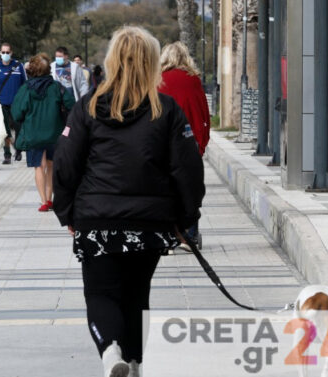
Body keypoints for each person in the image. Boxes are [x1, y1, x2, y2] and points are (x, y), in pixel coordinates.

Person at [52, 27, 205, 377]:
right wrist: (186, 217)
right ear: (152, 64)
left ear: (111, 61)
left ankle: (110, 353)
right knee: (137, 296)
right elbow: (187, 168)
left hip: (96, 220)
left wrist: (68, 213)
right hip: (149, 223)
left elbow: (65, 163)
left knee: (101, 294)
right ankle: (135, 365)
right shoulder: (166, 110)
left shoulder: (87, 107)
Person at [158, 41, 211, 250]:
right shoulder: (193, 80)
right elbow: (202, 111)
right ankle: (189, 234)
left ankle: (168, 236)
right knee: (189, 188)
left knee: (165, 189)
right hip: (189, 142)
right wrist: (202, 141)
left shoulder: (158, 80)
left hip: (163, 143)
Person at [12, 53, 75, 212]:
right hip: (55, 133)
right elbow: (71, 104)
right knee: (51, 166)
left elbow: (17, 113)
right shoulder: (56, 87)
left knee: (39, 167)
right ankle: (50, 199)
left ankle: (43, 201)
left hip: (33, 134)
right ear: (48, 70)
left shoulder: (26, 88)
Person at [0, 42, 27, 164]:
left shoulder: (18, 66)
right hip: (2, 104)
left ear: (11, 53)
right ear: (0, 53)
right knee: (4, 130)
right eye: (3, 52)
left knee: (18, 128)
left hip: (17, 104)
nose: (5, 54)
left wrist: (23, 101)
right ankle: (7, 154)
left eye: (7, 52)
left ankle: (18, 150)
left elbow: (25, 84)